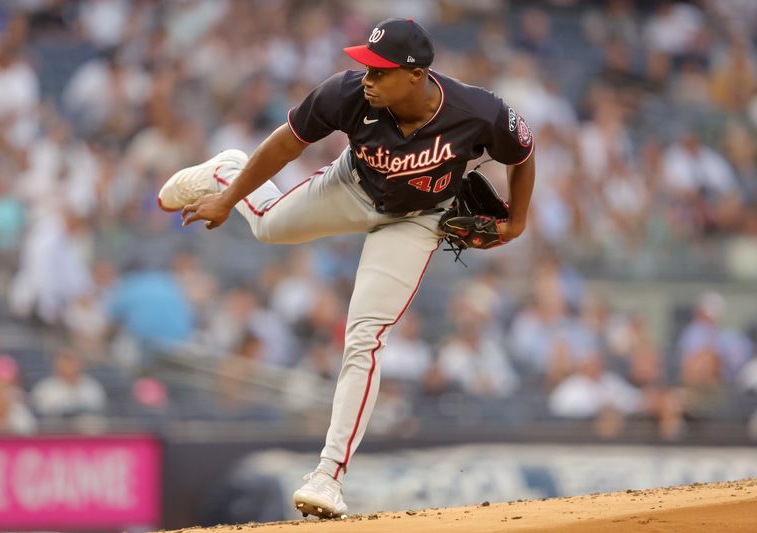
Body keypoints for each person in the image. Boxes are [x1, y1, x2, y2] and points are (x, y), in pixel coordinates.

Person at [160, 18, 536, 519]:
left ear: (416, 74)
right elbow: (286, 142)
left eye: (380, 71)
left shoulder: (478, 111)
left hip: (418, 221)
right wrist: (230, 198)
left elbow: (523, 154)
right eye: (366, 67)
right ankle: (229, 167)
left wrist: (517, 222)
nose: (368, 78)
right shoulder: (345, 93)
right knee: (267, 227)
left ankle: (328, 476)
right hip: (350, 188)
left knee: (365, 335)